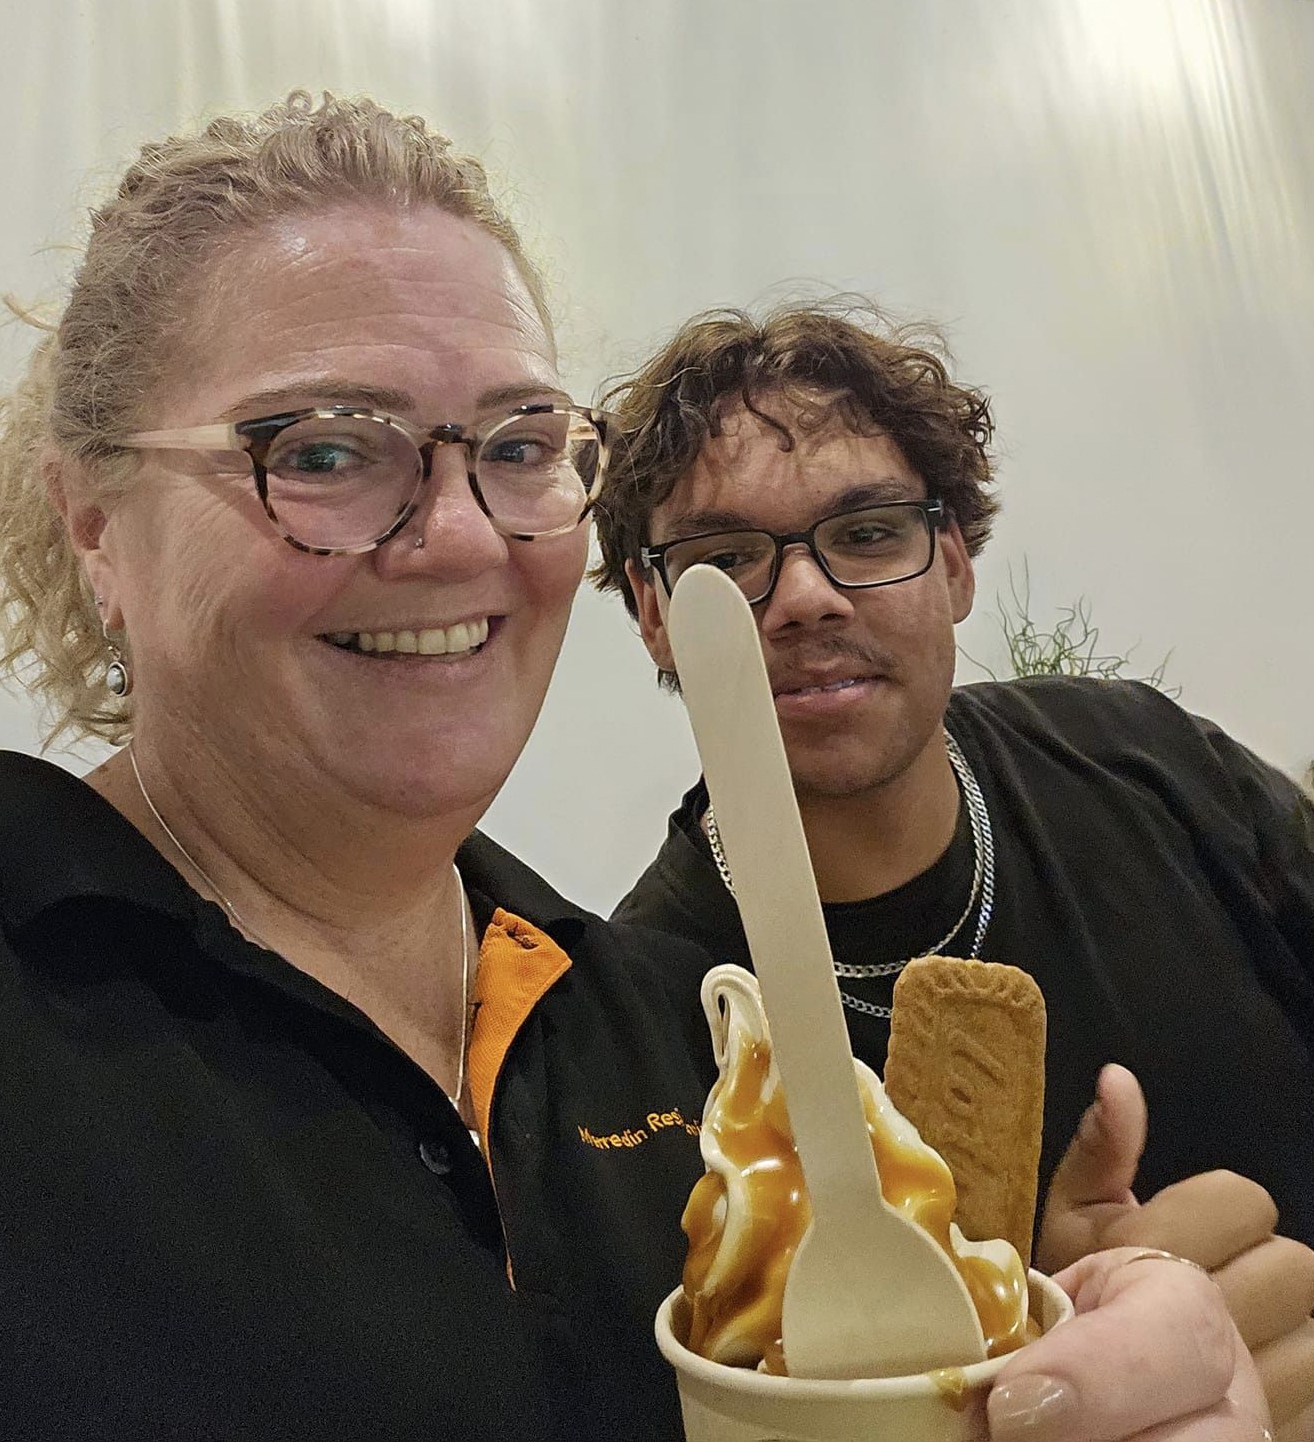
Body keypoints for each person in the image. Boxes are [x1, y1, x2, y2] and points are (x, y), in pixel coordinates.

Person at [0, 95, 1280, 1442]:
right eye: (322, 450)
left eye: (515, 446)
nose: (456, 533)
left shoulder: (682, 1046)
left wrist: (998, 1380)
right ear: (94, 520)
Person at [591, 300, 1314, 1439]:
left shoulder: (1154, 767)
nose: (807, 596)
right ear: (651, 614)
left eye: (869, 532)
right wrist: (1015, 1331)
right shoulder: (633, 1030)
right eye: (724, 562)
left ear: (958, 565)